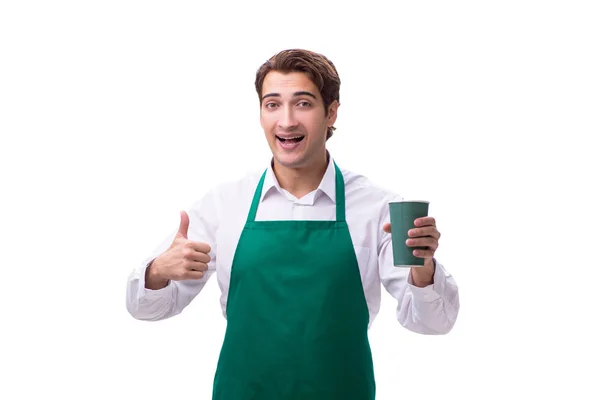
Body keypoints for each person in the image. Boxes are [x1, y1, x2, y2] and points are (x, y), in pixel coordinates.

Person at [126, 48, 460, 400]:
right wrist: (159, 271)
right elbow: (144, 308)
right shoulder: (225, 205)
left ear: (331, 112)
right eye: (272, 104)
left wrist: (423, 268)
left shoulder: (378, 208)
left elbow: (434, 323)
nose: (286, 121)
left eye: (303, 104)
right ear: (260, 114)